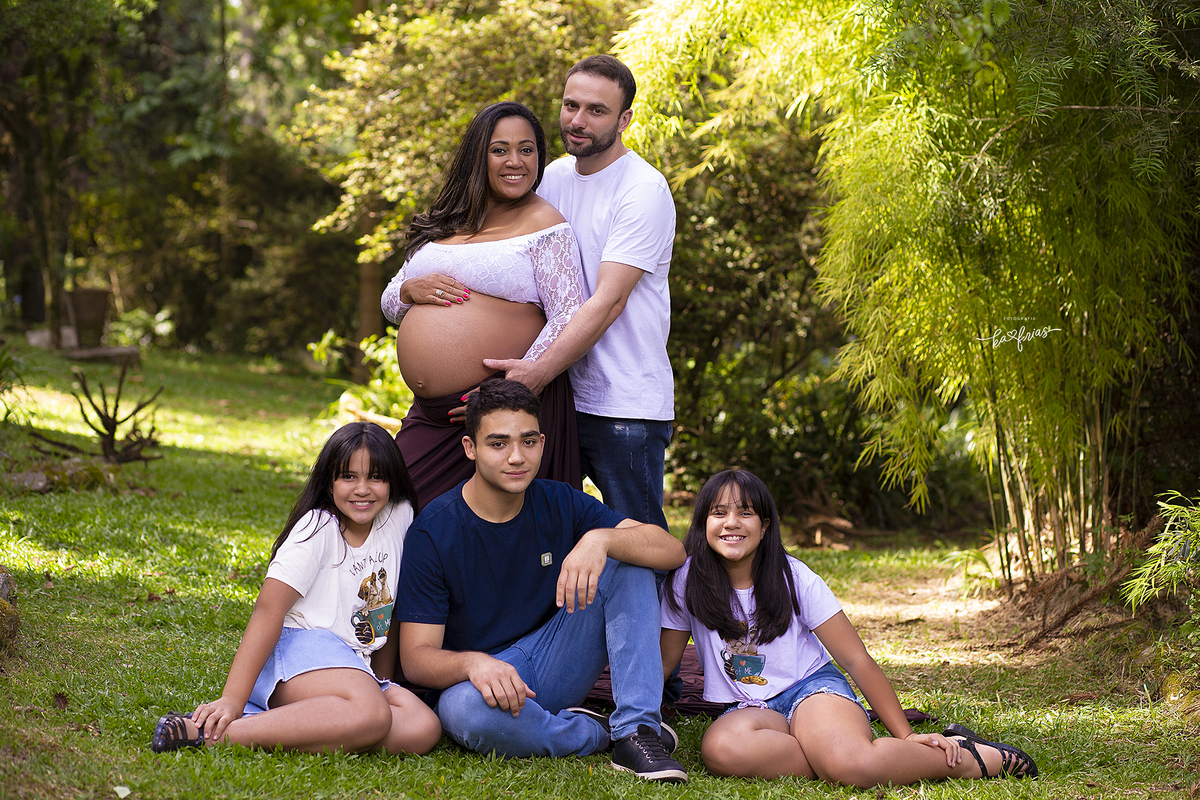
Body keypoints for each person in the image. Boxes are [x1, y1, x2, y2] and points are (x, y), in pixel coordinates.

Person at [660, 469, 1039, 787]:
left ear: (765, 525)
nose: (731, 523)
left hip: (811, 690)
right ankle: (830, 753)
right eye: (718, 512)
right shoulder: (687, 581)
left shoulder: (794, 578)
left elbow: (856, 660)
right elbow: (664, 663)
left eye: (745, 513)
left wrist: (904, 733)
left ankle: (972, 758)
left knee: (851, 767)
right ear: (703, 523)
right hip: (750, 707)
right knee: (720, 749)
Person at [394, 379, 688, 782]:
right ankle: (599, 732)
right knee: (462, 711)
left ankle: (638, 732)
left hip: (554, 656)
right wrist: (474, 664)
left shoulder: (559, 500)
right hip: (484, 685)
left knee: (629, 557)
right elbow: (415, 658)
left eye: (528, 441)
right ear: (470, 448)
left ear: (543, 443)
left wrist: (600, 539)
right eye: (498, 443)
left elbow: (671, 550)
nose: (517, 457)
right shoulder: (435, 531)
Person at [150, 422, 442, 756]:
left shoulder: (399, 517)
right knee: (373, 714)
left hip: (351, 663)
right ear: (329, 484)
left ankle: (301, 724)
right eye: (348, 476)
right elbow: (268, 609)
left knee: (422, 727)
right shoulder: (317, 528)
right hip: (299, 649)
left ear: (392, 481)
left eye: (375, 477)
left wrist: (380, 679)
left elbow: (389, 607)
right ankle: (215, 733)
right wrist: (232, 699)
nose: (362, 489)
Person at [483, 56, 675, 529]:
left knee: (638, 538)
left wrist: (535, 374)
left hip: (622, 404)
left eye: (596, 110)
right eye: (571, 105)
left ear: (625, 119)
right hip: (558, 397)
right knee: (546, 531)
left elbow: (608, 301)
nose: (577, 120)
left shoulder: (642, 189)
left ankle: (669, 608)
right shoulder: (549, 178)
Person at [381, 101, 586, 510]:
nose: (515, 161)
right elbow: (390, 302)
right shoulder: (446, 219)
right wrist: (409, 291)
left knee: (497, 536)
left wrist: (508, 391)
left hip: (503, 413)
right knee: (395, 509)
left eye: (527, 150)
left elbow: (569, 312)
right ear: (479, 155)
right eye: (500, 150)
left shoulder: (545, 224)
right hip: (432, 413)